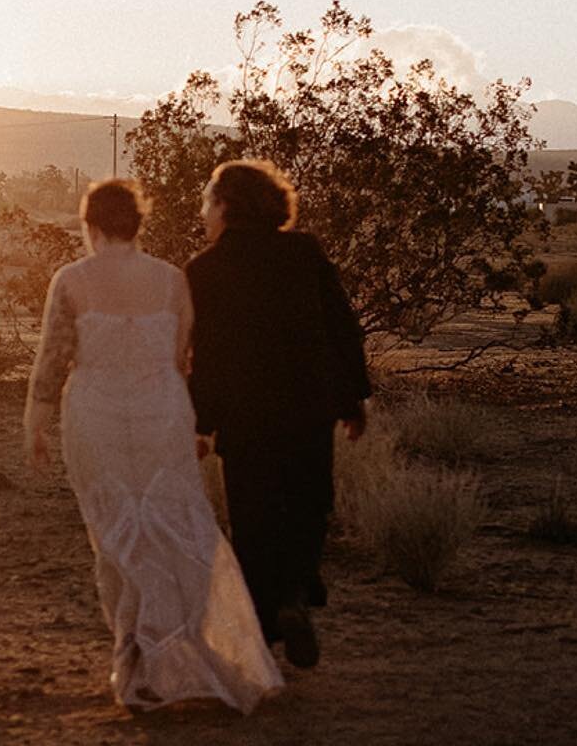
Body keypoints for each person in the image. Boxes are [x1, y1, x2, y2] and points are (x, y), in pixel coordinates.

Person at [24, 179, 282, 713]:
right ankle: (172, 656)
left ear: (90, 226)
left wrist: (36, 421)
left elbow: (53, 359)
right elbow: (183, 355)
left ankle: (137, 664)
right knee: (172, 530)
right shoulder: (171, 280)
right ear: (138, 225)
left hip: (95, 415)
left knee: (117, 539)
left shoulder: (72, 279)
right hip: (162, 413)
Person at [186, 159, 371, 670]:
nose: (204, 212)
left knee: (255, 522)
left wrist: (201, 422)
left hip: (246, 419)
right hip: (307, 408)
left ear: (225, 206)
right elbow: (341, 326)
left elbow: (209, 354)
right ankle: (294, 595)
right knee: (311, 506)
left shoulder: (204, 270)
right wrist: (352, 398)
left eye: (207, 202)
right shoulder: (303, 251)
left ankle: (266, 632)